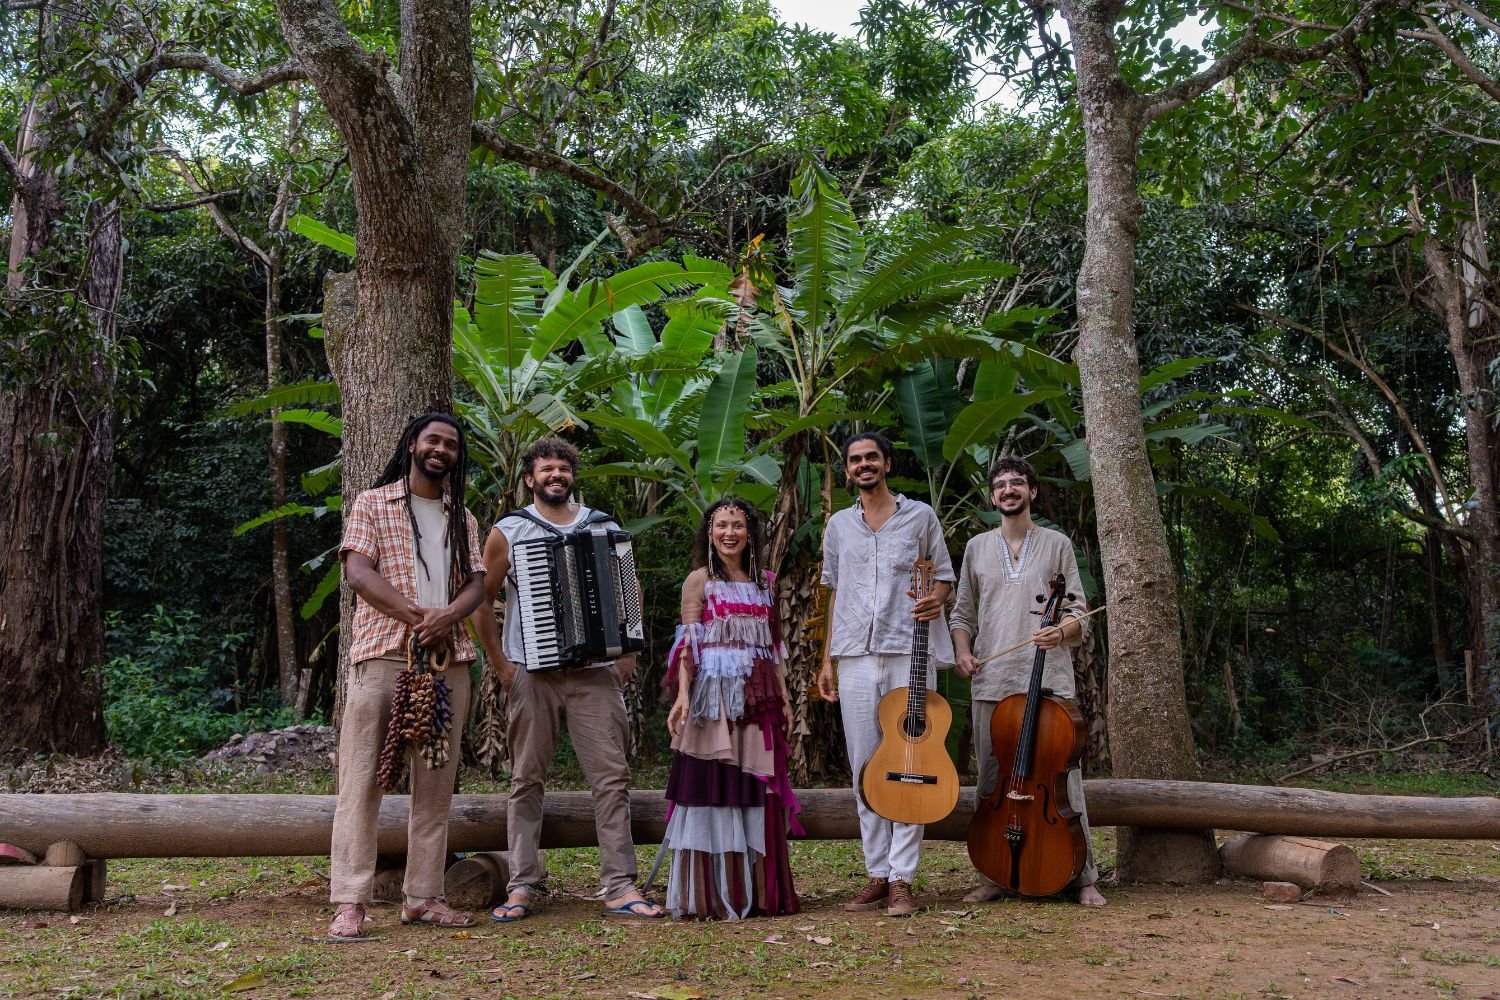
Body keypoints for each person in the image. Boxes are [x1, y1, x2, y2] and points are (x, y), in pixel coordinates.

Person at [472, 437, 663, 922]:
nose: (555, 475)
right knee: (526, 779)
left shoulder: (603, 526)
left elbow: (628, 590)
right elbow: (481, 598)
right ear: (530, 479)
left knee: (612, 778)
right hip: (532, 674)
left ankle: (619, 886)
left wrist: (628, 655)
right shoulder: (509, 531)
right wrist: (499, 663)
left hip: (595, 674)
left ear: (571, 476)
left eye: (562, 468)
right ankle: (521, 886)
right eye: (546, 469)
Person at [328, 413, 487, 939]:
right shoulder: (372, 503)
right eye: (433, 440)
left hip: (449, 660)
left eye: (451, 444)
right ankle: (350, 900)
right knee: (361, 781)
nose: (441, 449)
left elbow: (475, 587)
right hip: (385, 654)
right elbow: (358, 573)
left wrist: (449, 616)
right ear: (413, 446)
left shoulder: (461, 516)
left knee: (435, 785)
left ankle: (423, 896)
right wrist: (422, 617)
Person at [950, 455, 1106, 907]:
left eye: (1017, 482)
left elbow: (1079, 614)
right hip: (992, 681)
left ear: (1032, 492)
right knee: (990, 782)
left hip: (1049, 681)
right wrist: (963, 651)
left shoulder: (1057, 544)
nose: (1008, 490)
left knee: (1064, 781)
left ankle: (1084, 876)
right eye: (1000, 485)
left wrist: (1061, 630)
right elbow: (961, 614)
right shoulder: (977, 547)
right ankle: (993, 873)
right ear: (992, 496)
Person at [815, 431, 955, 917]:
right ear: (848, 470)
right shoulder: (838, 525)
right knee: (864, 766)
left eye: (871, 457)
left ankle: (903, 878)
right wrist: (825, 659)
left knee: (911, 761)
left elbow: (944, 579)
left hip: (908, 652)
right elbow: (833, 591)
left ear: (887, 463)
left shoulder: (920, 517)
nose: (863, 465)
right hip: (853, 653)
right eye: (855, 460)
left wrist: (935, 598)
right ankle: (876, 872)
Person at [660, 497, 802, 920]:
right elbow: (688, 645)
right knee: (713, 787)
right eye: (721, 525)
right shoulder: (698, 581)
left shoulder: (766, 582)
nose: (729, 533)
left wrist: (787, 701)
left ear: (749, 532)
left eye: (737, 525)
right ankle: (711, 893)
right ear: (709, 531)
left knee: (756, 788)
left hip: (759, 700)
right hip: (712, 701)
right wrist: (683, 695)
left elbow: (775, 649)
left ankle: (758, 892)